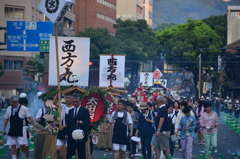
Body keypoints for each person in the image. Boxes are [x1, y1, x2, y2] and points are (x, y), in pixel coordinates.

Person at [65, 93, 90, 159]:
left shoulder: (85, 111)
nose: (75, 103)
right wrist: (67, 134)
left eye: (76, 101)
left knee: (81, 154)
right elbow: (68, 123)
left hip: (80, 136)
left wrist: (82, 122)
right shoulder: (70, 111)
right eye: (73, 102)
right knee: (70, 154)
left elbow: (88, 122)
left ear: (80, 101)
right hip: (71, 136)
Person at [54, 92, 74, 159]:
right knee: (58, 149)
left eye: (68, 97)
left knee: (68, 149)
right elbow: (54, 103)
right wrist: (57, 94)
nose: (67, 99)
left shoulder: (74, 108)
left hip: (69, 129)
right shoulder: (63, 106)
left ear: (72, 98)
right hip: (62, 130)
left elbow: (72, 121)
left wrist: (64, 126)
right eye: (66, 97)